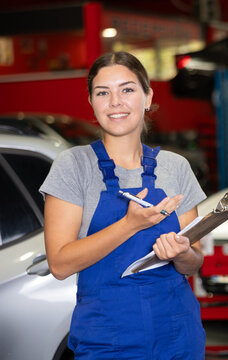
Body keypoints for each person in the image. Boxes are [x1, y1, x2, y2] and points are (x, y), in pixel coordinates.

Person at [40, 51, 206, 359]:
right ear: (91, 102)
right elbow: (60, 264)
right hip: (107, 339)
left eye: (127, 89)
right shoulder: (73, 166)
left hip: (178, 334)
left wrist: (182, 252)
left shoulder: (176, 167)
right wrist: (130, 224)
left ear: (147, 96)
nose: (115, 102)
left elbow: (195, 262)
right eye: (103, 92)